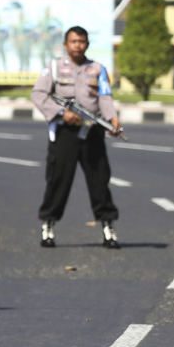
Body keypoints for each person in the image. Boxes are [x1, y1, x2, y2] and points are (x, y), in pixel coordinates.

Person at [31, 26, 123, 249]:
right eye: (73, 41)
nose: (77, 45)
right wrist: (63, 113)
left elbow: (104, 97)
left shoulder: (97, 69)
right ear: (65, 44)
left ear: (87, 44)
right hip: (65, 133)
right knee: (58, 180)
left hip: (92, 132)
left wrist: (112, 119)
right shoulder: (53, 67)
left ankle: (108, 228)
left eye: (82, 41)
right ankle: (48, 226)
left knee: (99, 180)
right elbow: (39, 94)